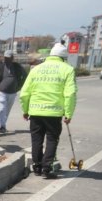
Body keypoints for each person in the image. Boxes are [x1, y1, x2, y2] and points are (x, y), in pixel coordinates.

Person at [19, 43, 77, 178]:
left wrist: (25, 110)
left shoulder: (36, 69)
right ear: (64, 58)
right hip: (54, 113)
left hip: (35, 111)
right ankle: (47, 167)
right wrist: (68, 113)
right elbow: (70, 94)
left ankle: (37, 166)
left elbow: (24, 93)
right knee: (52, 139)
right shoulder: (67, 69)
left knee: (36, 140)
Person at [0, 50, 27, 133]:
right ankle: (1, 126)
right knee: (2, 109)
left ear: (12, 58)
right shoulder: (1, 67)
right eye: (5, 58)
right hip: (2, 92)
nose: (6, 59)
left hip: (13, 92)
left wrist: (20, 86)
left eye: (8, 58)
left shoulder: (17, 66)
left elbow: (25, 76)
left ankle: (3, 125)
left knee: (7, 110)